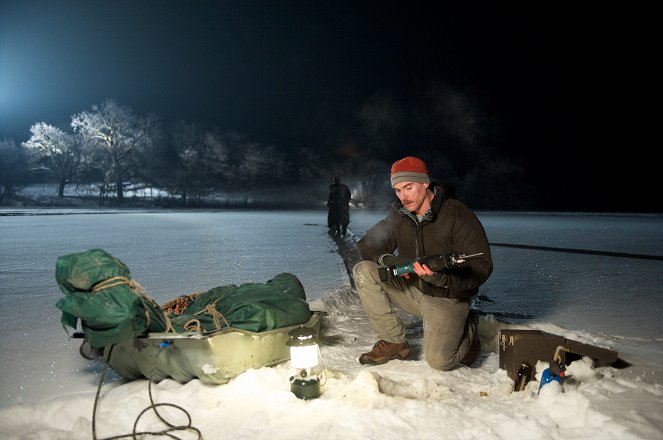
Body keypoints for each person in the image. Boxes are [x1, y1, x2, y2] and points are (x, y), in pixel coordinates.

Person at [352, 156, 493, 370]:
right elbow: (367, 243)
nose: (403, 197)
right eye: (398, 190)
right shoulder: (399, 214)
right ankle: (394, 341)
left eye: (408, 188)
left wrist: (442, 278)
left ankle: (469, 327)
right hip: (414, 288)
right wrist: (388, 259)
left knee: (440, 362)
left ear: (425, 183)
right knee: (365, 270)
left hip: (447, 297)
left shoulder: (457, 214)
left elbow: (482, 265)